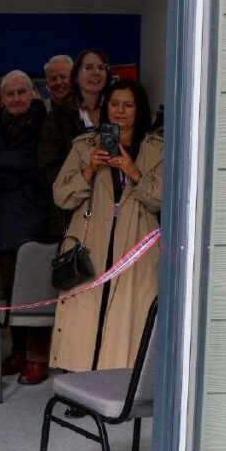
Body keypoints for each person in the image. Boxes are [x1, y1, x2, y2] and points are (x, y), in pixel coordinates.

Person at [50, 79, 162, 373]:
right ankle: (78, 378)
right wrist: (89, 168)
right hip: (91, 237)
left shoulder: (156, 149)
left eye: (128, 105)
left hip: (136, 239)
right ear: (105, 108)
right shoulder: (83, 145)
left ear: (140, 110)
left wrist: (132, 171)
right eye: (114, 104)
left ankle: (117, 378)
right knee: (84, 309)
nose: (120, 111)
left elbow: (162, 199)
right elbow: (61, 196)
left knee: (127, 310)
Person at [0, 71, 50, 384]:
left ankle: (37, 358)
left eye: (22, 92)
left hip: (35, 219)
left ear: (32, 93)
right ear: (2, 98)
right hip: (3, 222)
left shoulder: (45, 124)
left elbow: (37, 163)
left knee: (36, 292)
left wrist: (1, 161)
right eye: (10, 94)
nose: (17, 98)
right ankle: (17, 351)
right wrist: (12, 167)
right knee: (12, 294)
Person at [39, 49, 111, 237]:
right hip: (72, 213)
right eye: (88, 68)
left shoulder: (118, 112)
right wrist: (85, 176)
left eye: (101, 68)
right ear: (76, 76)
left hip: (112, 211)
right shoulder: (56, 119)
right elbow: (49, 172)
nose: (96, 73)